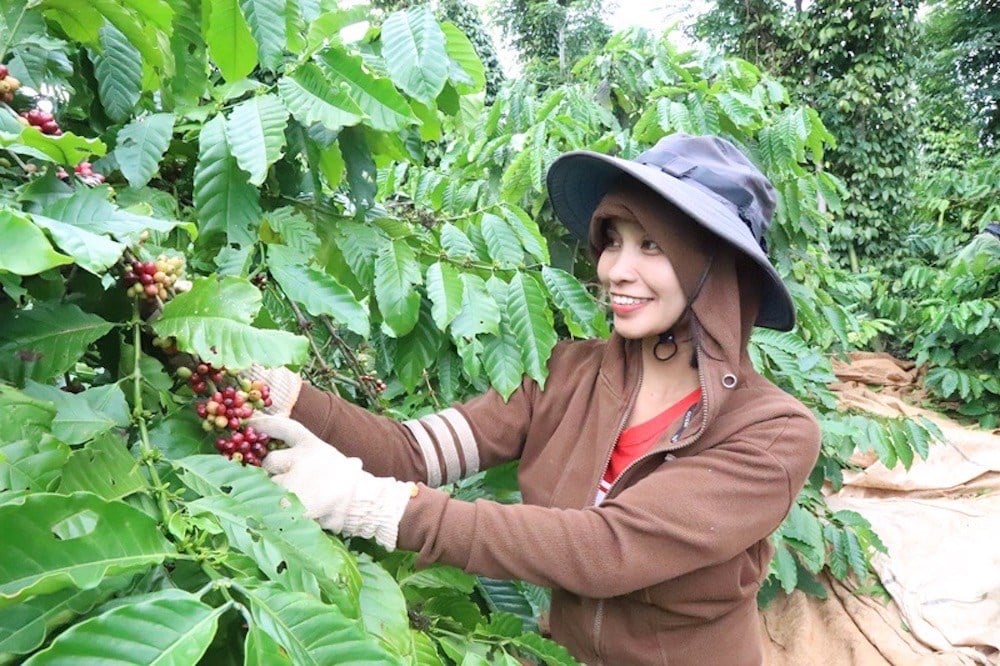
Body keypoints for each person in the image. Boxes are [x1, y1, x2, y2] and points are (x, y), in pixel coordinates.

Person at [247, 133, 821, 665]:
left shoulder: (771, 433)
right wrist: (278, 391)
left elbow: (607, 549)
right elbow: (412, 453)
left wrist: (379, 507)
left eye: (651, 245)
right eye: (613, 241)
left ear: (712, 267)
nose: (616, 270)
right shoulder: (563, 373)